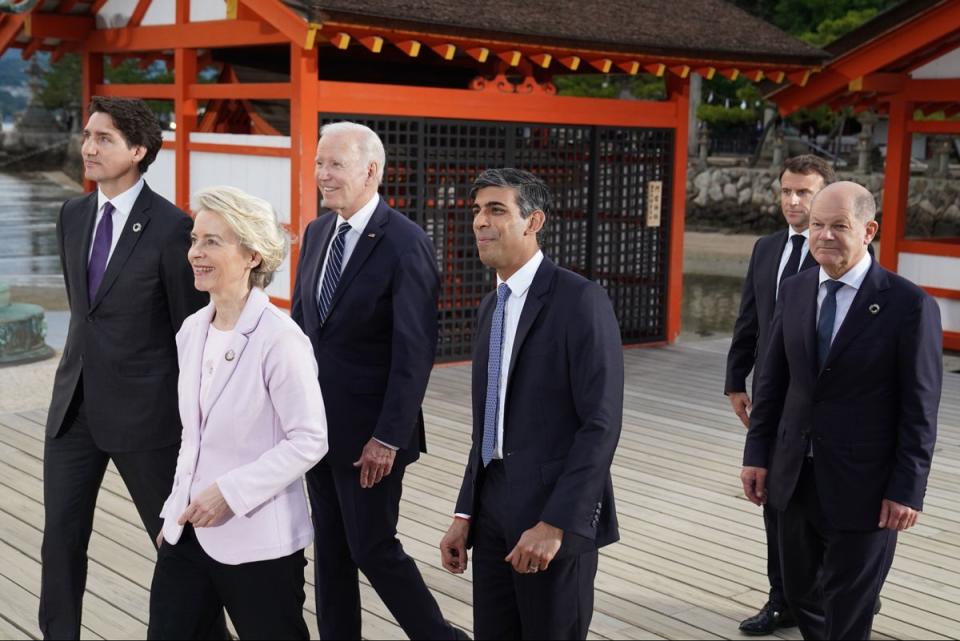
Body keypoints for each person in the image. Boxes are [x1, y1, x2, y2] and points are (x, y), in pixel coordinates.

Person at [741, 181, 942, 640]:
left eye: (838, 226)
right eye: (816, 225)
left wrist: (908, 489)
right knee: (800, 593)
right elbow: (772, 385)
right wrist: (756, 455)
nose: (824, 236)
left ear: (868, 229)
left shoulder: (908, 305)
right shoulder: (793, 292)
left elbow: (920, 408)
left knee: (850, 603)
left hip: (866, 485)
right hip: (792, 477)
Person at [40, 97, 209, 640]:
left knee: (175, 542)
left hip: (148, 416)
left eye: (104, 138)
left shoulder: (172, 227)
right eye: (88, 135)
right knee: (60, 538)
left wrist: (196, 427)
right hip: (74, 411)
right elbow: (85, 313)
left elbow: (190, 331)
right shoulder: (71, 215)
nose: (88, 147)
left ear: (138, 150)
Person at [291, 121, 464, 640]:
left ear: (370, 171)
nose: (323, 174)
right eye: (319, 163)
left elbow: (415, 353)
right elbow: (304, 329)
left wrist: (387, 437)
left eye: (335, 165)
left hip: (373, 436)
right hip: (317, 429)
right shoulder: (318, 232)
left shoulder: (405, 243)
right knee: (332, 552)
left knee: (372, 547)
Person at [439, 169, 624, 640]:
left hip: (551, 511)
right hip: (493, 505)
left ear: (533, 221)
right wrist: (465, 515)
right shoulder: (491, 306)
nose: (481, 221)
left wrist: (556, 524)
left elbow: (600, 424)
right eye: (477, 211)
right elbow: (487, 424)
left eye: (496, 210)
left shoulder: (580, 300)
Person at [148, 186, 328, 639]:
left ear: (252, 255)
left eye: (212, 241)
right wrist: (173, 515)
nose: (195, 253)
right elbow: (195, 437)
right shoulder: (192, 330)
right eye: (194, 239)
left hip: (257, 539)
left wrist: (229, 493)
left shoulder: (280, 339)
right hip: (187, 532)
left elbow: (309, 439)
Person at [725, 154, 834, 635]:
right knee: (773, 499)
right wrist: (735, 380)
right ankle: (781, 598)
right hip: (770, 397)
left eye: (804, 192)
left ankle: (841, 595)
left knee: (825, 502)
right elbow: (750, 318)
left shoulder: (834, 250)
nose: (792, 200)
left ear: (825, 196)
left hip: (819, 399)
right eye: (786, 190)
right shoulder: (766, 248)